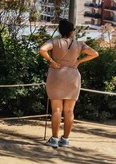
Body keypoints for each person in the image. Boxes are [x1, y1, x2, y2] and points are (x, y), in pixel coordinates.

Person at [39, 19, 99, 148]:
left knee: (56, 110)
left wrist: (52, 61)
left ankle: (54, 138)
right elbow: (95, 54)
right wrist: (79, 62)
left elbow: (42, 49)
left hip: (56, 76)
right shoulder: (79, 44)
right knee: (69, 111)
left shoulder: (54, 42)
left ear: (60, 31)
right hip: (72, 76)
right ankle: (65, 139)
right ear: (71, 32)